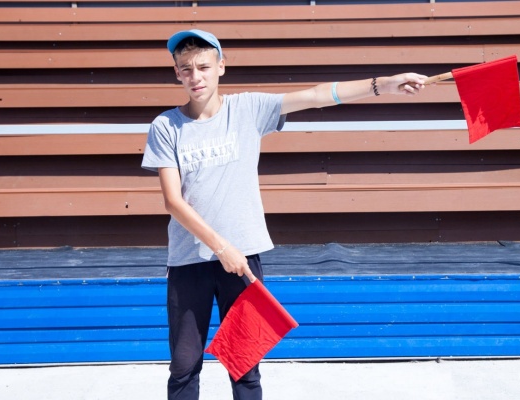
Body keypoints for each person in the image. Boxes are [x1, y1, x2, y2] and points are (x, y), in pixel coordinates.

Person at [141, 29, 426, 400]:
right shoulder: (166, 126)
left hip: (243, 261)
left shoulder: (248, 110)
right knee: (183, 367)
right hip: (189, 262)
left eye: (203, 67)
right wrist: (222, 248)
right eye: (186, 69)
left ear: (221, 66)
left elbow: (317, 95)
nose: (195, 76)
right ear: (177, 73)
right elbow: (173, 201)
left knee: (245, 366)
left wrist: (384, 84)